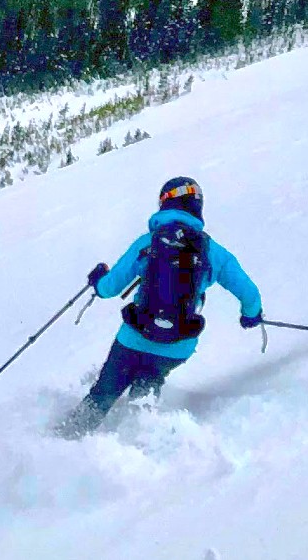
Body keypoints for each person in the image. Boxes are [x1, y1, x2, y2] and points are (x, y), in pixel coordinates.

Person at [63, 176, 262, 433]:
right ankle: (138, 439)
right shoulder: (214, 252)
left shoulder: (147, 243)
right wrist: (251, 316)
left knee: (103, 393)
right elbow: (249, 293)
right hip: (177, 346)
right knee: (148, 384)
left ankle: (67, 437)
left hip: (134, 338)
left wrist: (97, 280)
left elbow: (109, 288)